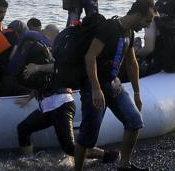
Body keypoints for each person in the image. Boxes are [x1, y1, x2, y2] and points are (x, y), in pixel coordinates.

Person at [14, 25, 119, 164]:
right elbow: (45, 81)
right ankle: (27, 161)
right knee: (23, 129)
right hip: (47, 107)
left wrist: (37, 67)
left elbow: (60, 67)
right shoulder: (43, 53)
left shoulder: (61, 52)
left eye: (45, 33)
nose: (42, 36)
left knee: (69, 148)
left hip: (61, 105)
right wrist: (29, 97)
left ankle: (106, 156)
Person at [74, 0, 155, 171]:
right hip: (93, 86)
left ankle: (124, 165)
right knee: (88, 136)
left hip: (114, 85)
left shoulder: (130, 33)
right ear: (138, 15)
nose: (147, 26)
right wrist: (95, 89)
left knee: (134, 122)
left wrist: (137, 93)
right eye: (147, 21)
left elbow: (132, 63)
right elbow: (90, 56)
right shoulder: (109, 28)